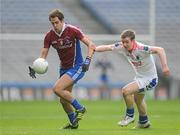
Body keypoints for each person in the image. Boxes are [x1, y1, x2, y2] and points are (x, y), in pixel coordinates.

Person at [28, 9, 95, 129]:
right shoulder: (49, 35)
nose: (54, 25)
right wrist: (36, 66)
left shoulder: (73, 30)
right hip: (64, 68)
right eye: (52, 23)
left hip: (77, 66)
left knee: (57, 89)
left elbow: (91, 44)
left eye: (56, 22)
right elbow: (44, 54)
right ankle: (73, 124)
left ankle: (80, 108)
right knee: (63, 100)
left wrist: (88, 60)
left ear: (62, 21)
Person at [95, 29, 170, 128]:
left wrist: (165, 66)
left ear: (133, 41)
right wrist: (94, 49)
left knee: (126, 91)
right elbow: (107, 47)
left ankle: (129, 116)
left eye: (127, 42)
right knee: (138, 100)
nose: (124, 44)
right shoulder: (122, 47)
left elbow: (160, 50)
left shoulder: (141, 48)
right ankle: (144, 122)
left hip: (150, 79)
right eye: (123, 42)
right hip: (140, 77)